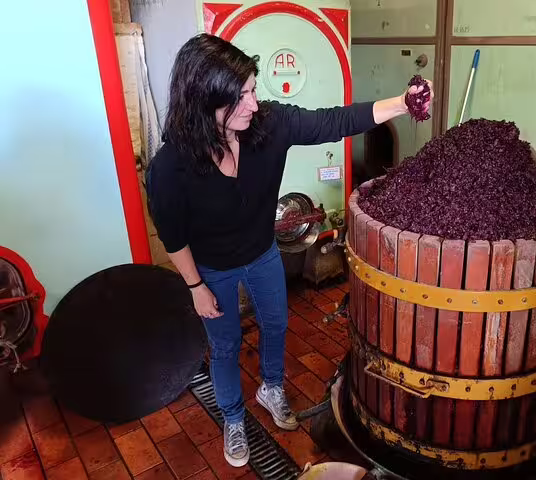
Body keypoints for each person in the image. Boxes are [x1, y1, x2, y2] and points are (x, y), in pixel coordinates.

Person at [145, 33, 433, 468]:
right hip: (212, 268)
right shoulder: (171, 166)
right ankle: (233, 418)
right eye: (240, 96)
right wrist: (196, 287)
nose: (254, 104)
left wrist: (401, 103)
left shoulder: (269, 125)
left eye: (253, 89)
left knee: (277, 324)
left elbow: (334, 121)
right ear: (204, 100)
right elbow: (173, 236)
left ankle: (271, 387)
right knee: (224, 347)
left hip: (262, 252)